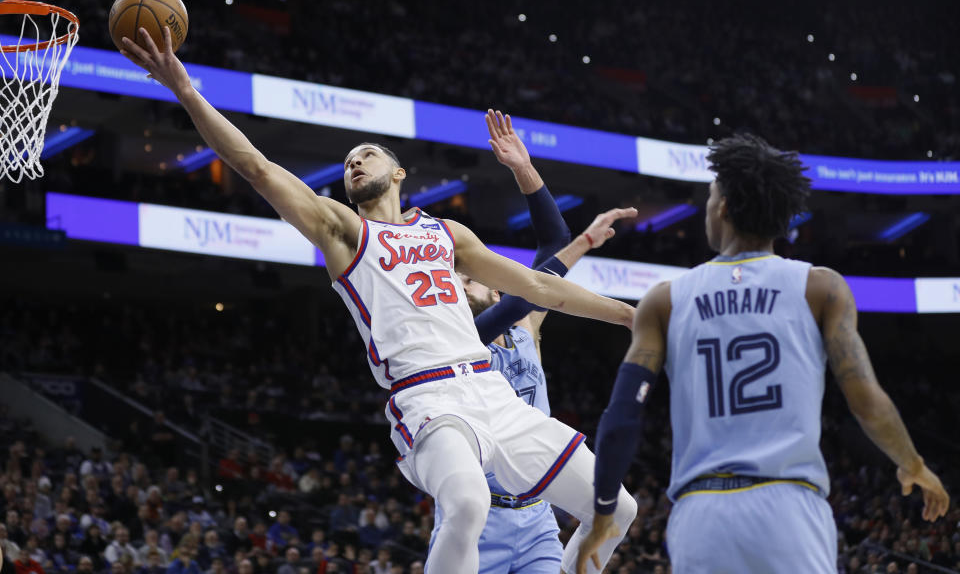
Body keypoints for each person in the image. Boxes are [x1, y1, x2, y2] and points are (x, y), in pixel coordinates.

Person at [121, 28, 636, 574]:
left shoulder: (448, 235)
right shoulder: (344, 231)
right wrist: (185, 88)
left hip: (491, 390)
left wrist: (629, 315)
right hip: (428, 398)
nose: (354, 164)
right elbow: (258, 167)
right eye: (348, 162)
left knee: (618, 510)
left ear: (399, 173)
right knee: (465, 503)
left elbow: (540, 286)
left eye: (366, 155)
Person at [576, 135, 951, 573]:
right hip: (791, 509)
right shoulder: (821, 288)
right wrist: (913, 464)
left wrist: (604, 515)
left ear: (725, 208)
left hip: (703, 514)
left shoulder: (665, 300)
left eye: (711, 195)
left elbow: (623, 415)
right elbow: (866, 400)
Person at [430, 113, 638, 572]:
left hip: (536, 516)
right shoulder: (462, 337)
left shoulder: (526, 326)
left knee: (615, 513)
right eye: (457, 278)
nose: (461, 282)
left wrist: (524, 168)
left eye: (469, 278)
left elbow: (550, 246)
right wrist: (581, 248)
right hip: (477, 518)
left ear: (496, 289)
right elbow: (538, 281)